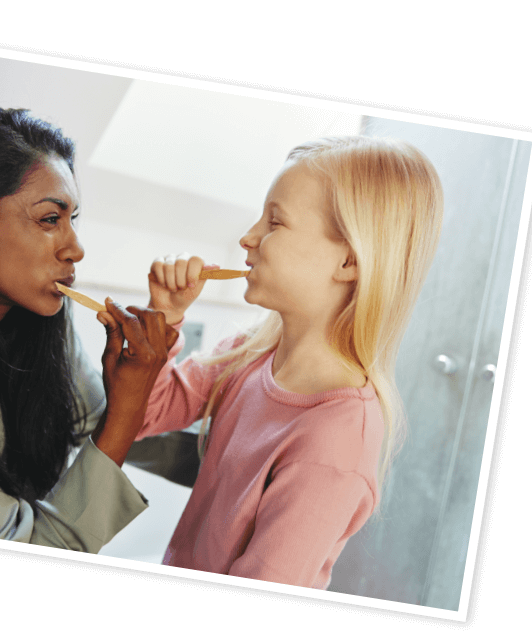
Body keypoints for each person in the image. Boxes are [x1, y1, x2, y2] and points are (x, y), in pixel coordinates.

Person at [132, 136, 444, 589]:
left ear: (349, 260)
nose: (248, 237)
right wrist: (164, 316)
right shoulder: (249, 351)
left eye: (275, 222)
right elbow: (141, 415)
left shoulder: (335, 440)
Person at [0, 99, 177, 552]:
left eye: (71, 220)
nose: (76, 248)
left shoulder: (45, 332)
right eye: (50, 219)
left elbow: (101, 425)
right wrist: (127, 406)